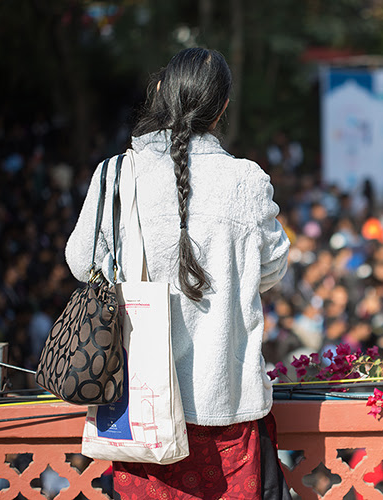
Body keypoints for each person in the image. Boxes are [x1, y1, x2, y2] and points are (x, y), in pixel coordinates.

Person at [65, 48, 291, 499]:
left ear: (160, 92)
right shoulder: (247, 180)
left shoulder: (117, 174)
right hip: (227, 409)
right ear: (222, 107)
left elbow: (81, 262)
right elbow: (272, 268)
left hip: (140, 410)